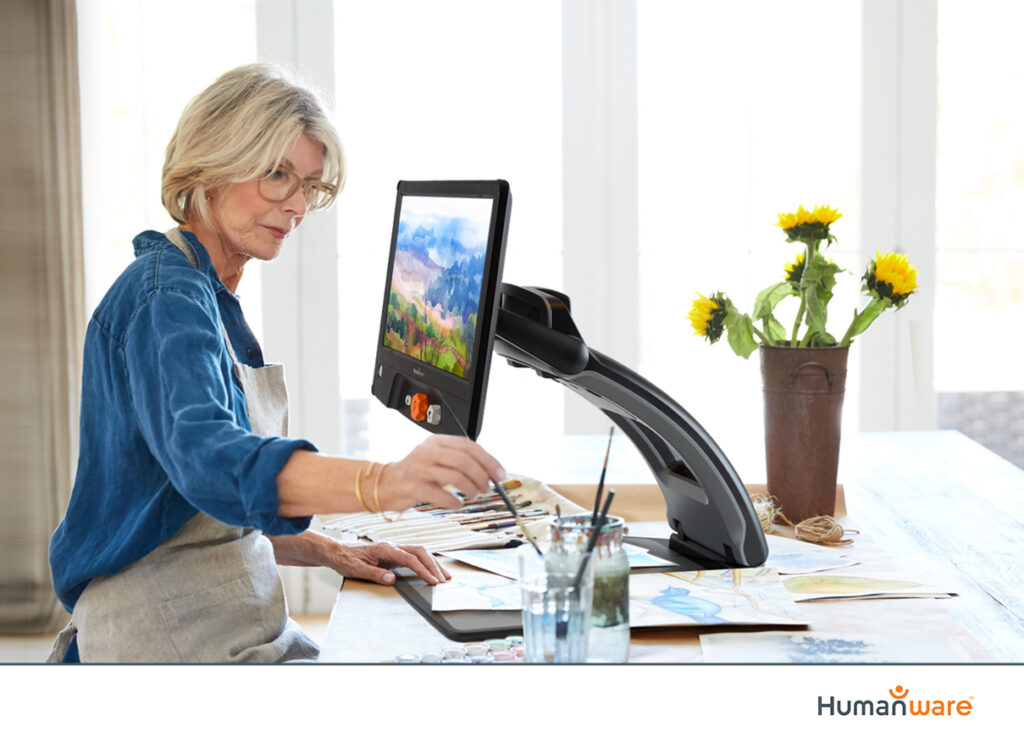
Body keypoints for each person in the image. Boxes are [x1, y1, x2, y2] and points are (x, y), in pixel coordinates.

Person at [47, 63, 505, 663]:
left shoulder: (205, 288)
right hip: (164, 633)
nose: (296, 205)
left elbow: (188, 511)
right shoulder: (168, 301)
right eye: (275, 175)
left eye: (309, 184)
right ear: (212, 165)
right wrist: (382, 483)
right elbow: (212, 463)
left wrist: (328, 549)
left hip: (219, 612)